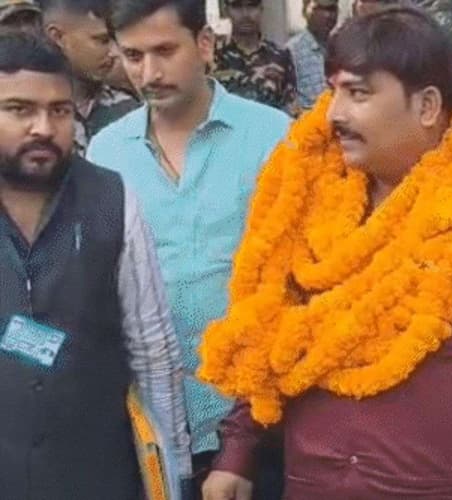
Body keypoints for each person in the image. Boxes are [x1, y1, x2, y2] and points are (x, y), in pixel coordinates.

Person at [199, 7, 452, 500]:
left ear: (427, 106)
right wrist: (237, 454)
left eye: (358, 94)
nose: (333, 114)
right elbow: (271, 334)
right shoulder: (307, 203)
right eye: (333, 91)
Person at [86, 0, 290, 495]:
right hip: (157, 428)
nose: (149, 73)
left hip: (263, 417)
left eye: (164, 51)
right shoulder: (106, 153)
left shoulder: (273, 137)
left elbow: (299, 280)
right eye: (133, 56)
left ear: (204, 44)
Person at [0, 32, 191, 499]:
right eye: (19, 109)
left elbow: (154, 353)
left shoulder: (112, 200)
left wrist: (174, 477)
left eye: (59, 111)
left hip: (98, 475)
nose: (43, 128)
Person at [39, 0, 139, 152]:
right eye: (102, 40)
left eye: (116, 40)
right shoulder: (30, 114)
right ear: (58, 37)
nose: (114, 52)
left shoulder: (127, 108)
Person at [213, 0, 297, 114]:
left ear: (261, 9)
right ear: (226, 10)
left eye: (252, 5)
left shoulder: (280, 56)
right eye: (237, 6)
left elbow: (290, 109)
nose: (245, 14)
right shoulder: (213, 55)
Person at [286, 0, 337, 110]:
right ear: (305, 11)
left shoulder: (341, 46)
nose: (327, 15)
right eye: (320, 9)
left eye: (332, 9)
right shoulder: (292, 51)